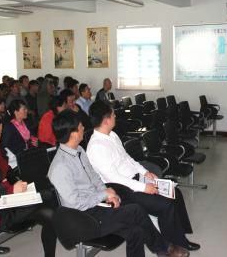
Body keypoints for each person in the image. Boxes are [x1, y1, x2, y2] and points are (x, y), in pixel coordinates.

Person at [48, 110, 188, 257]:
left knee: (136, 231)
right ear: (73, 133)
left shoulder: (79, 150)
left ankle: (163, 249)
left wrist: (108, 193)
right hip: (82, 218)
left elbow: (94, 177)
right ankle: (165, 249)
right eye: (81, 126)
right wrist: (103, 195)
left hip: (97, 204)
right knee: (136, 210)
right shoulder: (60, 167)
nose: (84, 128)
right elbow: (75, 203)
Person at [86, 100, 200, 251]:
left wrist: (145, 172)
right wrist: (144, 187)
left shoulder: (112, 135)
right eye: (113, 114)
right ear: (106, 120)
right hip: (124, 190)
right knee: (166, 204)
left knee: (175, 193)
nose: (115, 116)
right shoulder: (96, 147)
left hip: (135, 180)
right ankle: (172, 246)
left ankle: (180, 237)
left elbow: (128, 159)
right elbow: (114, 179)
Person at [0, 113, 57, 257]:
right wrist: (10, 188)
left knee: (49, 204)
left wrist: (17, 182)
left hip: (11, 199)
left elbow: (7, 172)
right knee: (47, 199)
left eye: (0, 134)